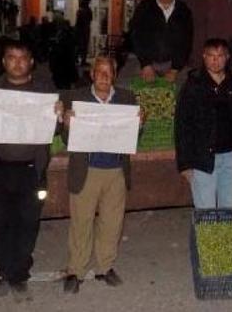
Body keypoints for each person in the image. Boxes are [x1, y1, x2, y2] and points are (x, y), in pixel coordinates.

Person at [0, 40, 61, 302]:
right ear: (4, 62)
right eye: (12, 57)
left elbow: (55, 130)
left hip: (32, 170)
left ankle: (19, 274)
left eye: (23, 58)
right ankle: (3, 272)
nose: (18, 62)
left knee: (28, 222)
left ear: (31, 62)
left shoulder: (44, 91)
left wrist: (58, 115)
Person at [61, 56, 141, 292]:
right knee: (81, 222)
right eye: (100, 72)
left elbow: (134, 138)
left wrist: (140, 123)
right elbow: (67, 139)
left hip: (115, 170)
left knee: (112, 223)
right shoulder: (76, 99)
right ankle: (75, 270)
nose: (104, 77)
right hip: (86, 170)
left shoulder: (126, 99)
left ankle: (105, 267)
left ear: (114, 75)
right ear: (92, 74)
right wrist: (66, 124)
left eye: (109, 72)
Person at [175, 38, 232, 209]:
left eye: (220, 56)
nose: (215, 60)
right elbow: (182, 125)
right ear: (204, 56)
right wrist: (184, 163)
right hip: (202, 157)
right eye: (211, 56)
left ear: (227, 57)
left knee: (228, 207)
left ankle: (225, 236)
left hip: (231, 156)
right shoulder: (193, 85)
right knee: (206, 211)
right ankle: (206, 236)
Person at [129, 0, 194, 84]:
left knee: (186, 90)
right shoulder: (144, 8)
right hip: (144, 61)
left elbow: (186, 42)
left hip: (173, 64)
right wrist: (145, 65)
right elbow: (135, 37)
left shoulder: (184, 12)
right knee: (125, 88)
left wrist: (175, 69)